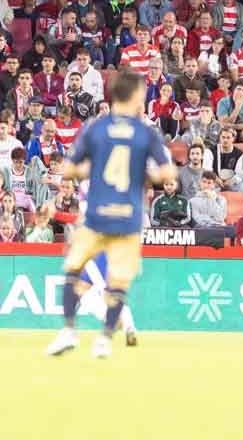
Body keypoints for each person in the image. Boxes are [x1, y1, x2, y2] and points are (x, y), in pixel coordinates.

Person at [46, 69, 177, 359]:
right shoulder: (146, 133)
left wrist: (90, 170)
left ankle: (69, 330)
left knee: (73, 271)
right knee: (117, 282)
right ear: (136, 96)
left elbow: (67, 169)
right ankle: (104, 338)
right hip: (128, 218)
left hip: (95, 216)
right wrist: (141, 174)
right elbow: (167, 174)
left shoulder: (95, 127)